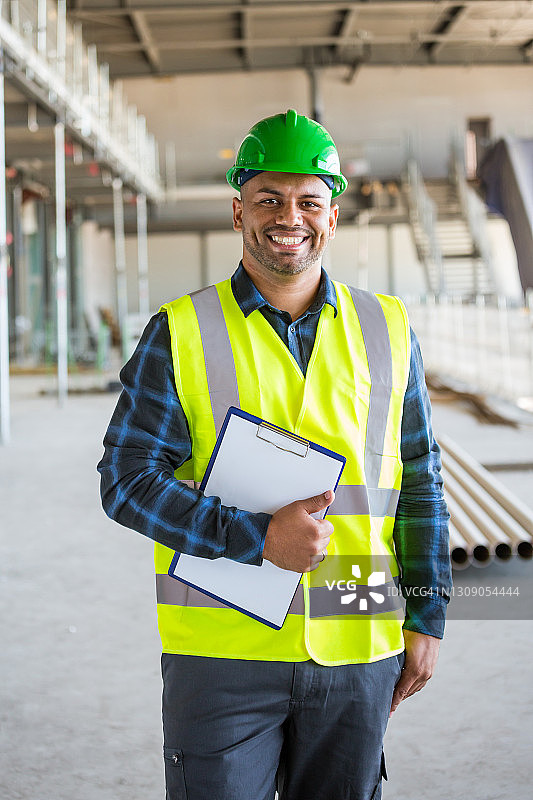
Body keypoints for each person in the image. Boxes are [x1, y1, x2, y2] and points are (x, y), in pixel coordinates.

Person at [98, 109, 451, 800]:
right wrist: (257, 538)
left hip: (359, 636)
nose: (288, 216)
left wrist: (425, 615)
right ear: (238, 212)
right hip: (222, 653)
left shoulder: (388, 326)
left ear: (332, 216)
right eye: (268, 199)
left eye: (308, 201)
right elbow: (126, 480)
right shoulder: (179, 331)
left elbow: (420, 485)